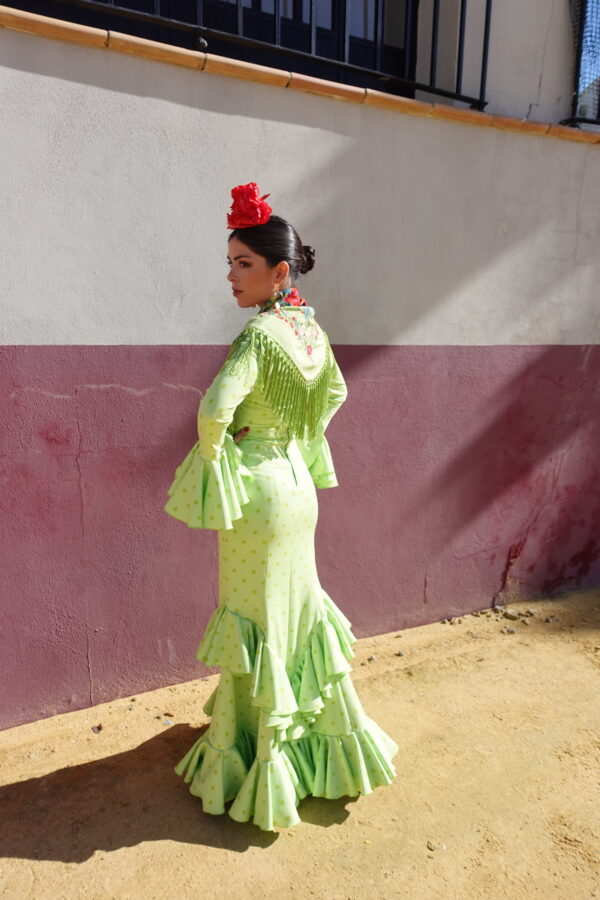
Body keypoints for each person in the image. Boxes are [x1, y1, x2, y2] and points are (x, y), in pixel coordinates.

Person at [164, 182, 399, 831]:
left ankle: (261, 760)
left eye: (243, 263)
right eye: (230, 262)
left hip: (260, 495)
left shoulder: (259, 336)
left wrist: (222, 451)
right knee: (297, 612)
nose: (231, 276)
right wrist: (293, 433)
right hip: (298, 489)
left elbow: (213, 410)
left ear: (279, 271)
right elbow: (336, 394)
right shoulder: (309, 332)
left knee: (257, 618)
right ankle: (313, 749)